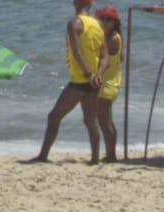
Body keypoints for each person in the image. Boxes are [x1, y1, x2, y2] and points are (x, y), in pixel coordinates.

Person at [29, 0, 108, 164]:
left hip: (80, 80)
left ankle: (43, 156)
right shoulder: (98, 25)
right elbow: (106, 57)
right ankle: (95, 159)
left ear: (75, 3)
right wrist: (98, 74)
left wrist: (88, 73)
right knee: (90, 119)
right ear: (91, 5)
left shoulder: (75, 23)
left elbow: (76, 52)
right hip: (94, 82)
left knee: (54, 116)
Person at [94, 7, 123, 163]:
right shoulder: (106, 36)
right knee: (105, 120)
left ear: (114, 23)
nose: (104, 22)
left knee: (104, 120)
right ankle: (110, 153)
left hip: (109, 83)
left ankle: (111, 155)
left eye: (108, 20)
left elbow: (99, 56)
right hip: (107, 81)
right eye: (102, 19)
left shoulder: (112, 38)